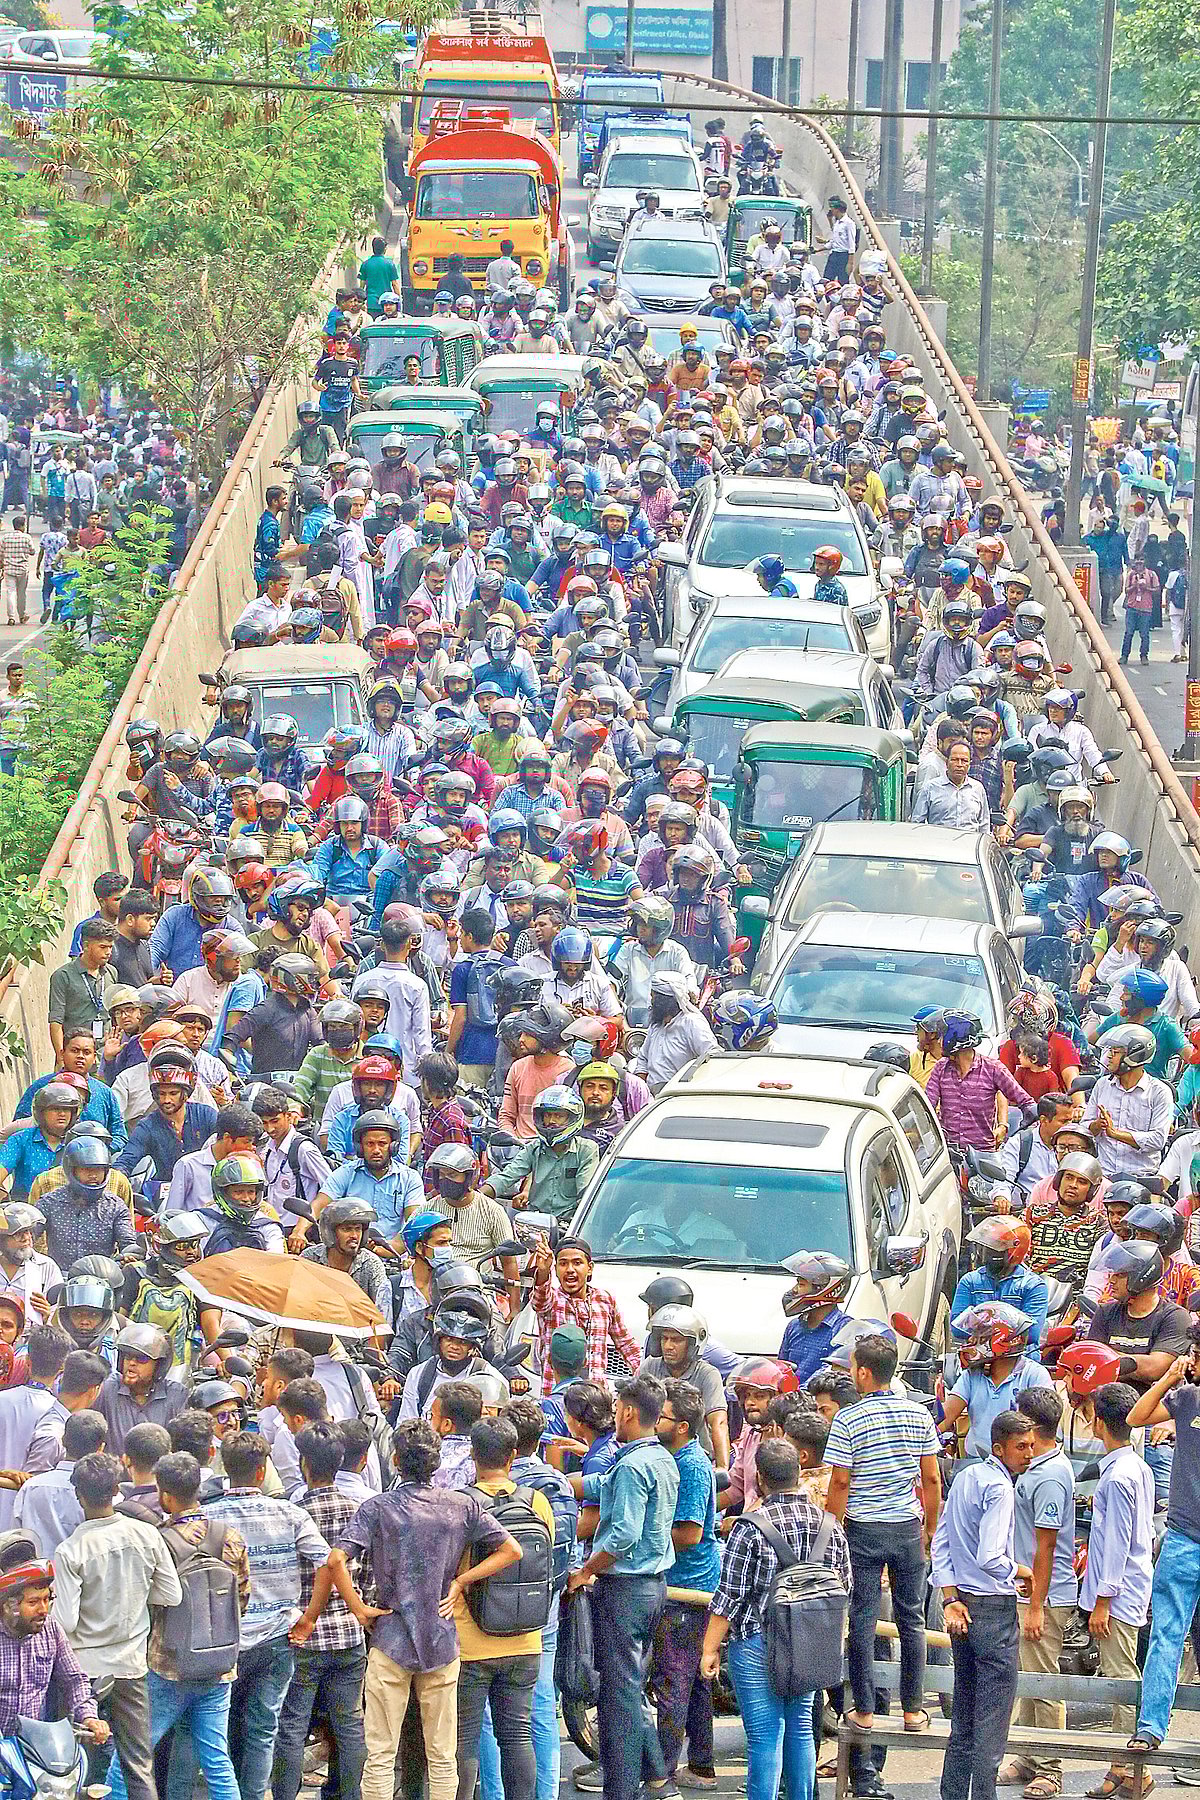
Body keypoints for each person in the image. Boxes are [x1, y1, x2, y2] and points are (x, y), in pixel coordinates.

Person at [341, 1416, 522, 1800]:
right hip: (441, 1637)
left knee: (380, 1754)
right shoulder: (461, 1506)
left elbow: (336, 1561)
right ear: (436, 1462)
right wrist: (461, 1582)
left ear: (395, 1460)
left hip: (389, 1636)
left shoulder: (377, 1507)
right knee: (443, 1754)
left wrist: (358, 1608)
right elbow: (511, 1550)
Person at [206, 1428, 354, 1800]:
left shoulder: (207, 1519)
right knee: (262, 1729)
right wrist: (309, 1617)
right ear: (262, 1471)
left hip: (224, 1640)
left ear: (226, 1469)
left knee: (218, 1727)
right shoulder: (289, 1513)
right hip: (277, 1638)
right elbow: (329, 1562)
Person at [702, 1437, 852, 1800]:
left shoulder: (751, 1526)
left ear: (760, 1478)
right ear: (798, 1475)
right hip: (811, 1641)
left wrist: (709, 1648)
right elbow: (845, 1587)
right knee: (801, 1727)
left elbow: (730, 1596)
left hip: (757, 1640)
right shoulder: (831, 1525)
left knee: (765, 1735)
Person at [566, 1372, 680, 1800]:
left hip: (626, 1589)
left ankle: (621, 1790)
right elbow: (603, 1485)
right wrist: (560, 1481)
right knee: (627, 1689)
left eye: (616, 1409)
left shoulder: (634, 1464)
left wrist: (586, 1571)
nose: (613, 1415)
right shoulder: (658, 1458)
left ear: (629, 1412)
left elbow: (623, 1534)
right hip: (652, 1587)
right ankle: (652, 1780)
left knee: (620, 1699)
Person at [825, 1332, 942, 1735]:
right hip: (907, 1527)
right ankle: (912, 1709)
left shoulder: (848, 1418)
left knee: (862, 1616)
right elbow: (930, 1478)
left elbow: (840, 1483)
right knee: (912, 1618)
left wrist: (829, 1529)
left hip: (863, 1528)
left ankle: (865, 1708)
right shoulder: (920, 1415)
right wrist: (929, 1528)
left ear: (863, 1372)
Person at [52, 1450, 184, 1800]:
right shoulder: (146, 1534)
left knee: (77, 1764)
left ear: (79, 1496)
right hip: (130, 1664)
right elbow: (171, 1595)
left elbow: (64, 1620)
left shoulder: (71, 1550)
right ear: (116, 1491)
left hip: (83, 1670)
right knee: (138, 1763)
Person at [931, 1410, 1036, 1800]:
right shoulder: (999, 1488)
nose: (1028, 1454)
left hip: (965, 1605)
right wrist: (1021, 1570)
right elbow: (990, 1556)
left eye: (1030, 1445)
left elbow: (941, 1544)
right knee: (991, 1722)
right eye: (1020, 1447)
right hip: (992, 1609)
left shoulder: (965, 1477)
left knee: (965, 1715)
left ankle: (954, 1794)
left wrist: (951, 1597)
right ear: (999, 1449)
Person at [452, 1414, 553, 1800]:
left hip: (471, 1642)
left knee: (464, 1738)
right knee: (517, 1735)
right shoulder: (536, 1501)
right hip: (526, 1639)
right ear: (514, 1455)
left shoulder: (462, 1503)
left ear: (472, 1455)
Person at [271, 1423, 368, 1800]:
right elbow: (370, 1569)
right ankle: (348, 1793)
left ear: (304, 1464)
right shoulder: (360, 1509)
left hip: (304, 1635)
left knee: (293, 1723)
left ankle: (284, 1794)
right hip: (349, 1631)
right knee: (348, 1721)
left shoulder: (293, 1512)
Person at [1076, 1382, 1155, 1797]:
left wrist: (1103, 1602)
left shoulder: (1119, 1476)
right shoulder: (1134, 1467)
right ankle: (1122, 1770)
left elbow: (1117, 1544)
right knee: (1119, 1676)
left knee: (1121, 1681)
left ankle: (1130, 1769)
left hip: (1119, 1594)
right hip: (1127, 1586)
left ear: (1101, 1423)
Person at [1000, 1387, 1078, 1800]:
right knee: (1027, 1675)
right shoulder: (1037, 1468)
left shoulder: (1049, 1475)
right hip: (1030, 1589)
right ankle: (1030, 1757)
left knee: (1044, 1679)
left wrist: (1035, 1606)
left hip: (1045, 1594)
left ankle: (1051, 1766)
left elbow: (1045, 1547)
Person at [653, 1380, 721, 1792]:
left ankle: (662, 1772)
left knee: (675, 1679)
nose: (655, 1421)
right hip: (684, 1583)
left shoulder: (692, 1466)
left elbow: (691, 1532)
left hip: (689, 1585)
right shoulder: (674, 1457)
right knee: (694, 1679)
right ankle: (701, 1765)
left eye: (661, 1416)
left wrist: (648, 1534)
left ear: (681, 1426)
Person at [0, 1529, 110, 1745]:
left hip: (32, 1747)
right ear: (7, 1606)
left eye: (47, 1599)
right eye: (33, 1602)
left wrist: (89, 1717)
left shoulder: (50, 1629)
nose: (44, 1610)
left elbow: (73, 1679)